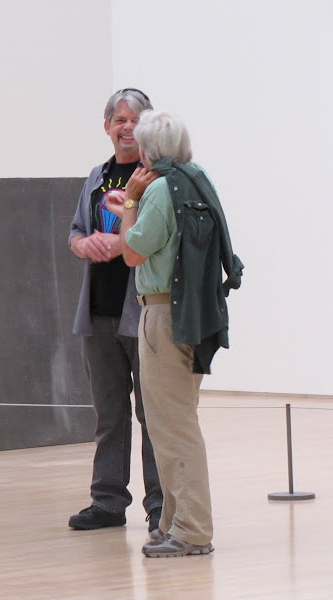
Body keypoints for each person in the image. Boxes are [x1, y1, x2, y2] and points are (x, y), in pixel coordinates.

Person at [105, 110, 243, 557]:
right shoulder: (196, 178)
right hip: (193, 315)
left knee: (173, 426)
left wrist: (130, 202)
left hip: (164, 315)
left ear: (150, 150)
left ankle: (192, 530)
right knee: (170, 423)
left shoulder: (158, 189)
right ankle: (173, 522)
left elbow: (131, 253)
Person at [67, 89, 163, 533]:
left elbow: (155, 240)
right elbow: (75, 233)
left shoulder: (157, 178)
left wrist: (121, 238)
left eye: (135, 119)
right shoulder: (96, 176)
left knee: (153, 415)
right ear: (107, 126)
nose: (127, 127)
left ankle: (161, 507)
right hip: (98, 313)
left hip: (143, 314)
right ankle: (107, 503)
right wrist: (84, 244)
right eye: (119, 119)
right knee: (109, 414)